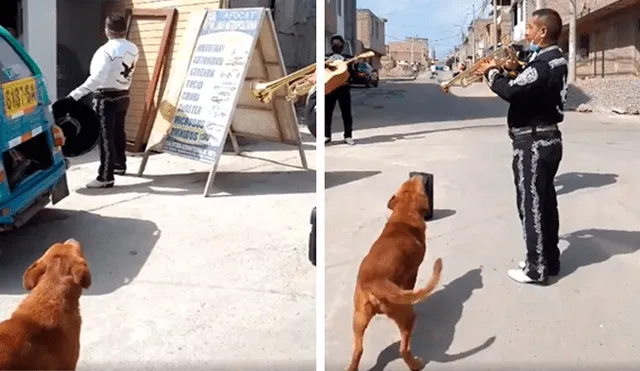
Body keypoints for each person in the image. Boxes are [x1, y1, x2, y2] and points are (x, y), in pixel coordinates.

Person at [475, 8, 568, 285]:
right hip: (548, 139)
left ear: (542, 32)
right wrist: (509, 68)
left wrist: (491, 73)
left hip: (533, 142)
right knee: (546, 202)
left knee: (531, 204)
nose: (525, 32)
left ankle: (535, 267)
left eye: (529, 27)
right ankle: (549, 260)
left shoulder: (543, 63)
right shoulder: (553, 60)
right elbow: (528, 85)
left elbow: (513, 90)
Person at [61, 13, 139, 188]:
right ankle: (119, 165)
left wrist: (74, 95)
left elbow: (96, 79)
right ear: (124, 29)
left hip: (106, 97)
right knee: (119, 132)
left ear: (107, 30)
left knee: (105, 137)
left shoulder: (105, 51)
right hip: (124, 94)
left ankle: (105, 176)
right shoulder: (133, 48)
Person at [325, 34, 355, 145]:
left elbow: (352, 73)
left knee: (346, 113)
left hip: (343, 88)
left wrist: (351, 65)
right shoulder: (326, 57)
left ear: (342, 46)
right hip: (330, 88)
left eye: (338, 44)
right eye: (334, 44)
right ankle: (326, 135)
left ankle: (348, 135)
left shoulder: (348, 58)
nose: (336, 46)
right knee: (327, 113)